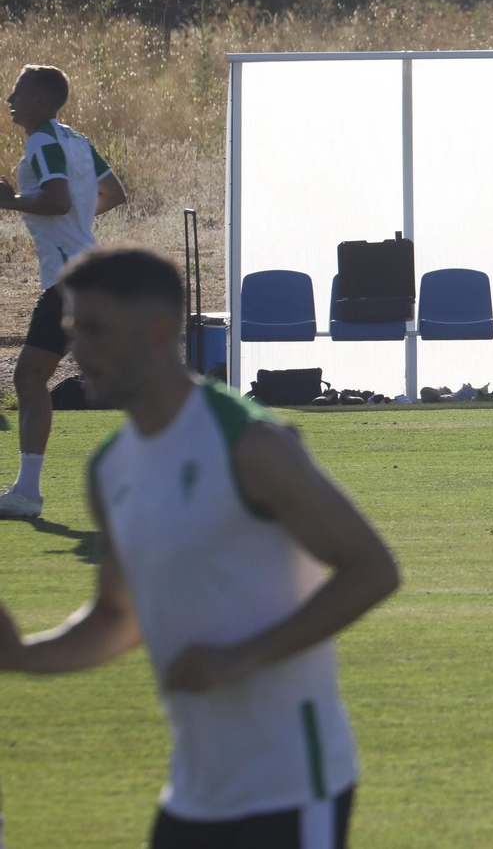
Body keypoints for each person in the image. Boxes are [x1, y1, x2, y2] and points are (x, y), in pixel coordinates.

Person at [0, 247, 401, 847]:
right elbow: (117, 616)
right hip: (192, 796)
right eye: (69, 331)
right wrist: (23, 655)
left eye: (93, 328)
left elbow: (372, 570)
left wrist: (240, 657)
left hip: (292, 790)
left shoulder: (251, 442)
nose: (75, 351)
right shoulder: (109, 469)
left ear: (159, 331)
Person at [0, 64, 127, 519]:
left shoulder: (42, 141)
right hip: (90, 271)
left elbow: (56, 199)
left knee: (30, 378)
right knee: (121, 378)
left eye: (17, 90)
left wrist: (11, 202)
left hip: (68, 278)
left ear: (39, 100)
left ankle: (28, 494)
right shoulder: (76, 139)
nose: (10, 98)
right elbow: (113, 192)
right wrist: (77, 226)